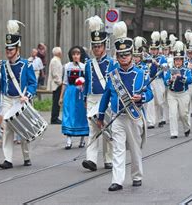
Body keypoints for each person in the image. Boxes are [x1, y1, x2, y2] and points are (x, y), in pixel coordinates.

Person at [97, 21, 153, 191]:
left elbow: (150, 93)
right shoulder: (113, 75)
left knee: (135, 148)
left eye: (126, 55)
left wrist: (141, 97)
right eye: (120, 55)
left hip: (134, 116)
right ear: (117, 56)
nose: (124, 58)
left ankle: (136, 176)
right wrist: (100, 116)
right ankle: (117, 180)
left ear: (131, 54)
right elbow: (106, 95)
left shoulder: (140, 73)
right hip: (118, 117)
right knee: (118, 148)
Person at [0, 20, 37, 169]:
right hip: (8, 99)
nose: (8, 52)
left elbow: (33, 83)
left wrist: (28, 95)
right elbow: (3, 84)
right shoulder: (3, 65)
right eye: (7, 50)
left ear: (17, 49)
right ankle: (8, 159)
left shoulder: (26, 64)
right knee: (7, 128)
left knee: (23, 128)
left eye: (11, 50)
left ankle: (26, 156)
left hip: (21, 100)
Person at [82, 16, 115, 172]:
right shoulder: (88, 64)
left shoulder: (111, 63)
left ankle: (108, 159)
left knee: (107, 128)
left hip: (106, 99)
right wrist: (84, 98)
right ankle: (91, 159)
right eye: (94, 46)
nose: (96, 49)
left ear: (104, 46)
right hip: (92, 99)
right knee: (93, 130)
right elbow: (87, 82)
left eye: (99, 46)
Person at [59, 46, 89, 149]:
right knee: (69, 114)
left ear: (80, 55)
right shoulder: (67, 66)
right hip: (70, 92)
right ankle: (68, 140)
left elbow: (87, 81)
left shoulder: (84, 67)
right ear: (71, 56)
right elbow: (64, 82)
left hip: (80, 93)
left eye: (78, 54)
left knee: (81, 114)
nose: (76, 56)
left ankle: (82, 139)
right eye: (74, 54)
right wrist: (61, 97)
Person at [164, 41, 192, 139]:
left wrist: (180, 77)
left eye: (180, 60)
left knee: (183, 114)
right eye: (176, 60)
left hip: (183, 94)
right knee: (172, 113)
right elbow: (165, 81)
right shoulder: (170, 69)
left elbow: (190, 80)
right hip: (171, 94)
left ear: (182, 60)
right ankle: (174, 133)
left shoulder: (186, 70)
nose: (178, 62)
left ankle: (186, 127)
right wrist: (170, 80)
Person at [146, 31, 167, 129]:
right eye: (152, 49)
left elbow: (165, 67)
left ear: (158, 49)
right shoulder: (147, 58)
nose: (153, 51)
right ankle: (151, 121)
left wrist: (157, 64)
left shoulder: (162, 58)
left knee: (159, 101)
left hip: (159, 81)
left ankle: (161, 118)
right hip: (150, 81)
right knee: (150, 102)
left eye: (155, 49)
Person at [47, 47, 63, 125]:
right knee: (56, 101)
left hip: (57, 83)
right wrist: (60, 82)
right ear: (59, 53)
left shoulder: (55, 60)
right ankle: (54, 118)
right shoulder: (55, 61)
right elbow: (55, 73)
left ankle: (55, 117)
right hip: (57, 84)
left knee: (56, 101)